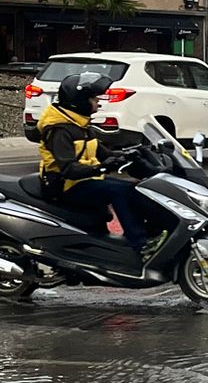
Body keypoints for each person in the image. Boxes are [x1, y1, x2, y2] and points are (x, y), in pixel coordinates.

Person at [37, 71, 153, 257]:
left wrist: (132, 154)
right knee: (120, 191)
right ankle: (140, 244)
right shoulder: (60, 131)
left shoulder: (81, 126)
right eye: (93, 98)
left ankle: (148, 234)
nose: (98, 102)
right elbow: (68, 169)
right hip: (65, 186)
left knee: (136, 188)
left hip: (84, 181)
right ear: (80, 102)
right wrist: (101, 167)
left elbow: (103, 153)